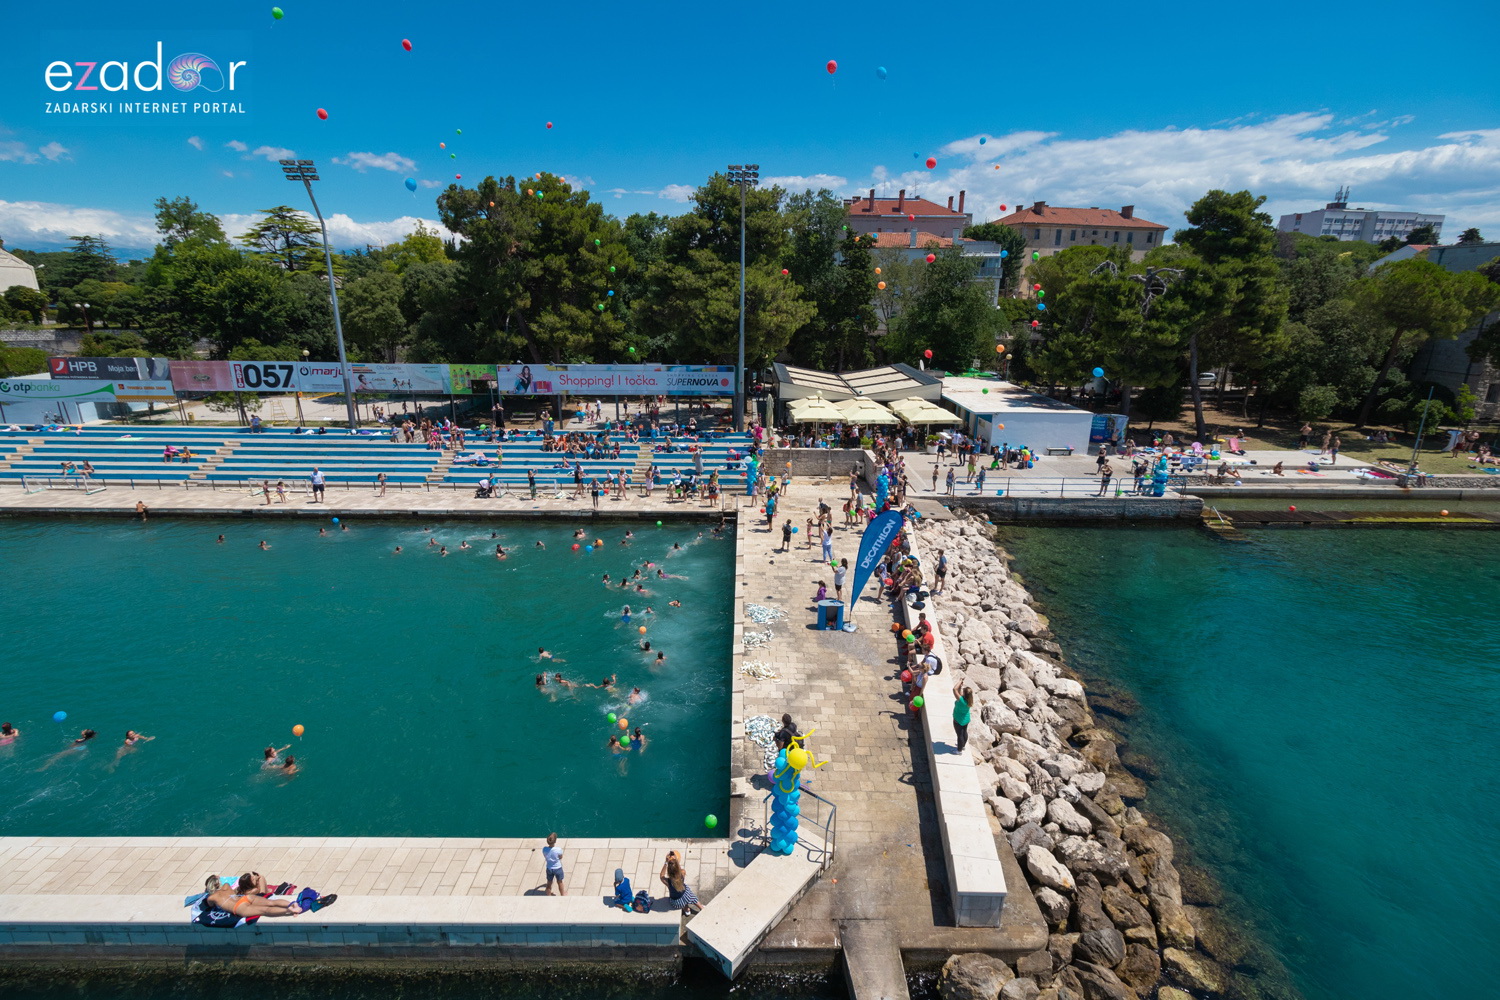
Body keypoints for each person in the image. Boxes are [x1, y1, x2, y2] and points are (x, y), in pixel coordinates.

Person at [658, 850, 702, 915]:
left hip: (676, 902)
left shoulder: (668, 882)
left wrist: (666, 862)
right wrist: (676, 861)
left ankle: (686, 910)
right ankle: (701, 907)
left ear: (669, 872)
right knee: (692, 898)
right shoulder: (683, 873)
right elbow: (678, 869)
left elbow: (661, 876)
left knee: (682, 903)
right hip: (686, 894)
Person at [952, 681, 974, 752]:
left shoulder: (961, 700)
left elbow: (954, 689)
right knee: (964, 732)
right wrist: (960, 686)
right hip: (966, 719)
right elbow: (959, 693)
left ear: (965, 694)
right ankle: (963, 745)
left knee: (960, 735)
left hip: (958, 720)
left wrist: (960, 680)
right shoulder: (969, 700)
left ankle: (959, 750)